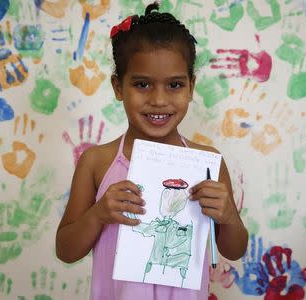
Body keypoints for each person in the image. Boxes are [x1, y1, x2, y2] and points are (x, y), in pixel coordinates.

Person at [55, 2, 248, 299]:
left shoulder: (207, 163)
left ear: (191, 86)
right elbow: (65, 250)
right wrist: (98, 214)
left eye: (174, 85)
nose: (159, 100)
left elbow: (233, 249)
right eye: (142, 84)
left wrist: (229, 216)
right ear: (119, 87)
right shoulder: (97, 161)